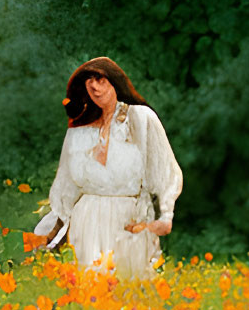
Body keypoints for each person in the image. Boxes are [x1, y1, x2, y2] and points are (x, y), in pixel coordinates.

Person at [33, 57, 182, 280]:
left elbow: (165, 168)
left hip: (127, 220)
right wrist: (50, 232)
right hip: (86, 223)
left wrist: (166, 215)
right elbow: (65, 187)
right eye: (88, 82)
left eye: (99, 79)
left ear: (114, 81)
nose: (94, 86)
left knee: (128, 293)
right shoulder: (79, 131)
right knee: (90, 294)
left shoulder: (140, 119)